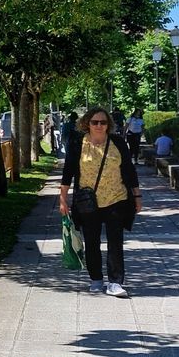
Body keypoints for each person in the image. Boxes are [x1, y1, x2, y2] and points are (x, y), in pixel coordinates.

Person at [59, 107, 141, 297]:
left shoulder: (118, 143)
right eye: (94, 122)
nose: (99, 126)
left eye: (103, 122)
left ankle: (115, 282)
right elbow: (68, 172)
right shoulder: (78, 143)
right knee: (92, 241)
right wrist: (63, 199)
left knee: (115, 242)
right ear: (87, 123)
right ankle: (96, 278)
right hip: (88, 202)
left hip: (117, 199)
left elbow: (129, 170)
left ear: (108, 125)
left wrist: (137, 196)